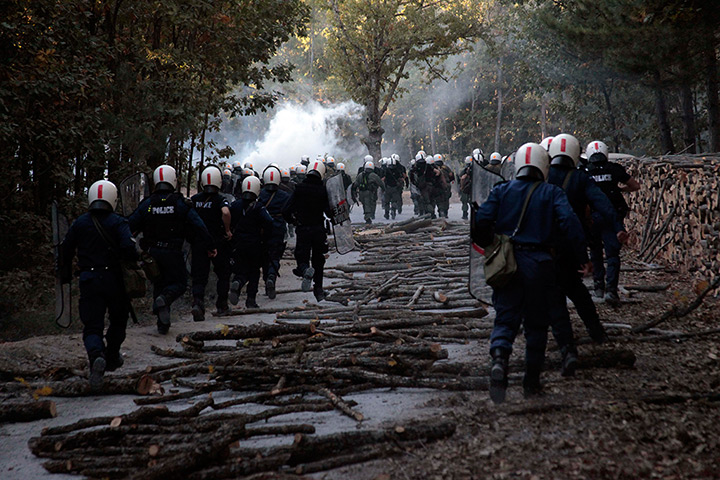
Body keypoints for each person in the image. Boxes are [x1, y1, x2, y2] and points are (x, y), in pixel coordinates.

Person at [473, 143, 590, 403]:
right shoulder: (552, 192)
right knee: (537, 324)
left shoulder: (501, 190)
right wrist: (582, 256)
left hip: (508, 264)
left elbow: (481, 221)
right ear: (544, 166)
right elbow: (570, 223)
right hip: (541, 265)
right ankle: (531, 383)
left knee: (505, 319)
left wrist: (494, 241)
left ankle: (500, 360)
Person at [61, 180, 138, 389]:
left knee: (92, 325)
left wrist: (65, 275)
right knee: (118, 320)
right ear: (113, 198)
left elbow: (65, 250)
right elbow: (129, 248)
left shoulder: (80, 223)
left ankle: (96, 356)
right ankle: (112, 355)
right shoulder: (118, 222)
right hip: (114, 280)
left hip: (89, 280)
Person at [129, 165, 214, 334]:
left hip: (151, 255)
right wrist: (210, 245)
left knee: (159, 284)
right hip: (173, 253)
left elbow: (130, 225)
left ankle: (162, 323)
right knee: (180, 284)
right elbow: (199, 226)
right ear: (173, 181)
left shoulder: (147, 204)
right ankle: (164, 300)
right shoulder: (180, 204)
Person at [585, 140, 640, 305]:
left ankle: (598, 287)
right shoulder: (614, 169)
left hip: (592, 218)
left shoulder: (585, 171)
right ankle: (611, 290)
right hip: (613, 218)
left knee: (595, 251)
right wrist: (620, 190)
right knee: (612, 254)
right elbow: (635, 185)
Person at [283, 160, 332, 301]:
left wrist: (293, 221)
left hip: (303, 228)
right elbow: (329, 212)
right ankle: (319, 290)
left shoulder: (299, 188)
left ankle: (305, 270)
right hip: (318, 229)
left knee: (302, 257)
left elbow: (286, 209)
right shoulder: (323, 190)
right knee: (319, 260)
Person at [190, 166, 232, 320]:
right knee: (223, 274)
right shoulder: (221, 199)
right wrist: (227, 230)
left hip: (199, 242)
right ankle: (222, 306)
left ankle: (197, 303)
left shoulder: (195, 200)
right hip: (218, 242)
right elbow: (226, 212)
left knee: (199, 276)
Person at [228, 176, 274, 308]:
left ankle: (238, 281)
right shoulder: (259, 207)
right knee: (254, 272)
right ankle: (251, 300)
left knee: (241, 269)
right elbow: (269, 222)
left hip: (238, 244)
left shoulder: (235, 205)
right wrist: (265, 238)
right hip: (254, 244)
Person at [259, 166, 291, 300]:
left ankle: (267, 279)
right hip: (278, 228)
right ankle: (272, 277)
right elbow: (289, 212)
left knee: (265, 256)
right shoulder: (284, 195)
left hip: (262, 229)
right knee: (275, 255)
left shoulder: (260, 194)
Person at [352, 157, 385, 224]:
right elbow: (381, 183)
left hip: (361, 193)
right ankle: (368, 217)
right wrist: (383, 189)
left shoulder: (360, 175)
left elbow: (355, 184)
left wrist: (354, 192)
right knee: (369, 204)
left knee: (365, 204)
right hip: (370, 192)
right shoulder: (374, 175)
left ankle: (368, 216)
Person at [382, 154, 406, 219]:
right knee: (394, 201)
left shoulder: (386, 170)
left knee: (387, 202)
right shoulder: (398, 170)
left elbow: (383, 178)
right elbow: (402, 177)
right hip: (396, 188)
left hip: (387, 188)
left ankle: (386, 213)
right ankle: (393, 210)